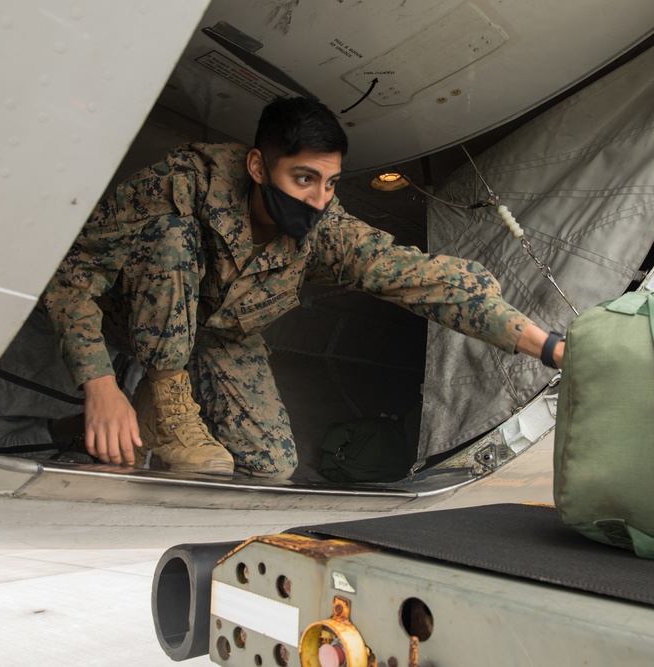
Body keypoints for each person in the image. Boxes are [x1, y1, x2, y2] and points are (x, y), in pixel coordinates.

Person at [41, 97, 565, 479]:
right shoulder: (184, 182)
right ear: (257, 167)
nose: (318, 199)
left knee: (272, 467)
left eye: (331, 182)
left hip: (221, 337)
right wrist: (100, 386)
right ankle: (155, 403)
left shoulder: (325, 230)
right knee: (173, 238)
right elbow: (75, 274)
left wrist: (548, 348)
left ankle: (101, 430)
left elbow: (424, 280)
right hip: (136, 310)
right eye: (303, 179)